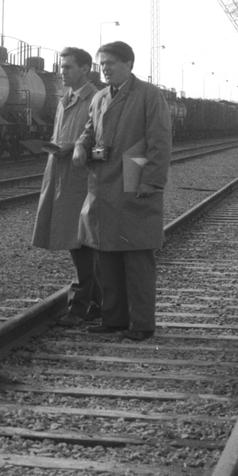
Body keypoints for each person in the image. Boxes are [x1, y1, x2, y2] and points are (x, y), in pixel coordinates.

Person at [72, 41, 172, 341]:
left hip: (135, 183)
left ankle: (141, 323)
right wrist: (81, 146)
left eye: (111, 63)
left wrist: (152, 180)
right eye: (102, 64)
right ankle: (113, 319)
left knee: (137, 257)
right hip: (103, 185)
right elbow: (90, 130)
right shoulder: (100, 97)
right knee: (107, 254)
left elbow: (160, 141)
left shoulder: (149, 95)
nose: (105, 69)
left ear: (129, 64)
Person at [31, 47, 101, 326]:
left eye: (68, 67)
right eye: (61, 67)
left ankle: (80, 307)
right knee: (78, 244)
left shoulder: (96, 100)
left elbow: (104, 142)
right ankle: (97, 303)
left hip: (82, 180)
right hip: (62, 177)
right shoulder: (65, 100)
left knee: (81, 243)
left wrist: (72, 147)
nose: (63, 72)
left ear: (85, 69)